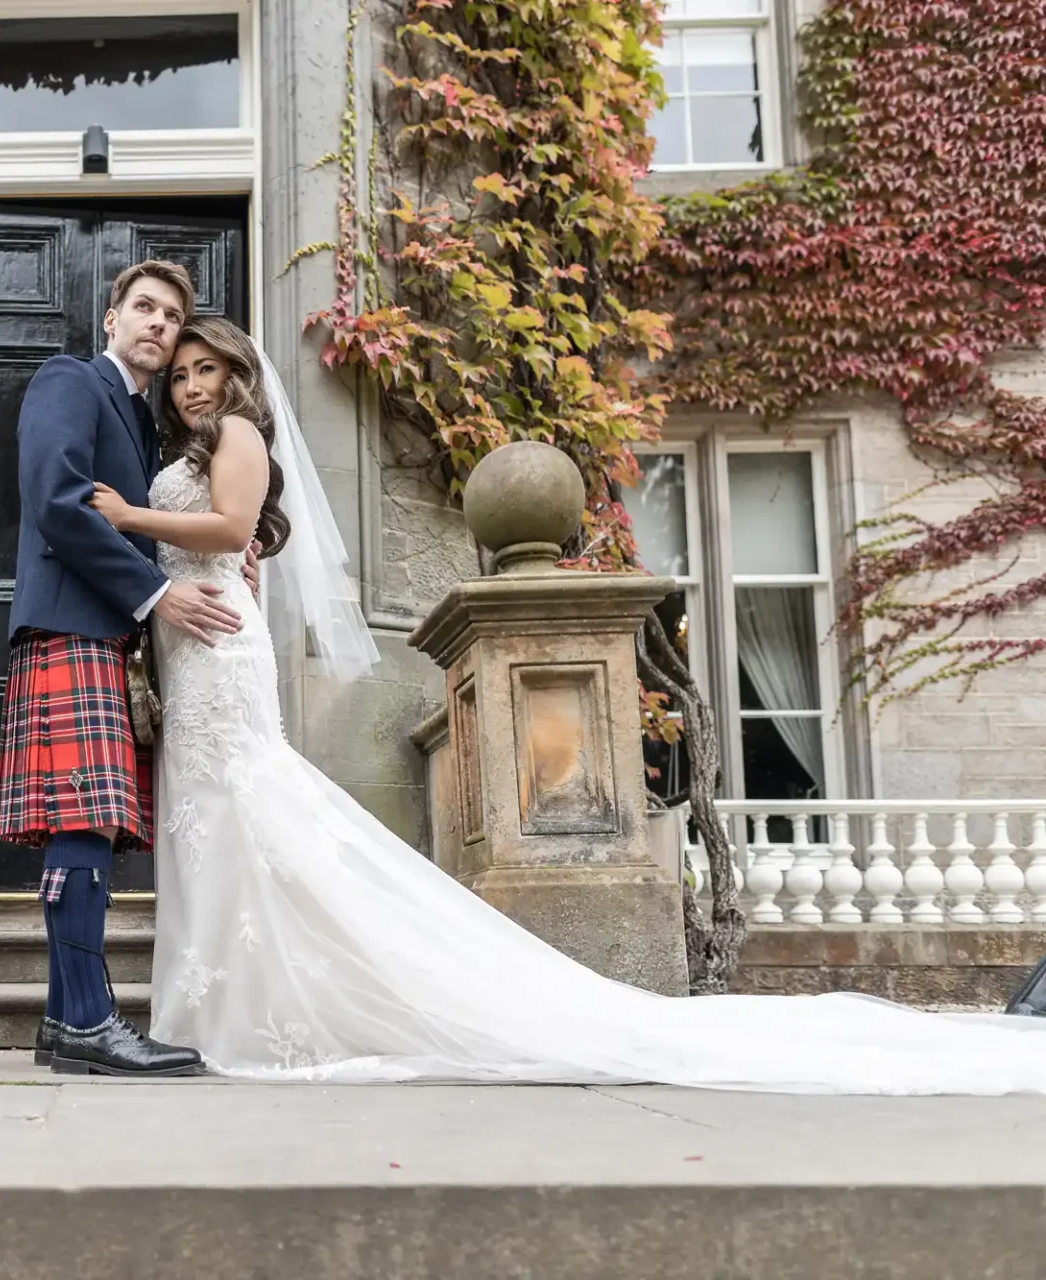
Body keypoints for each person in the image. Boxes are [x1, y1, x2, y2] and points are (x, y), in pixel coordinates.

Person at [87, 314, 1046, 1094]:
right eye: (180, 375)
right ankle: (210, 1009)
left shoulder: (242, 435)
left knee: (249, 814)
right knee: (212, 824)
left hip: (221, 664)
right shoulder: (192, 443)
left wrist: (129, 517)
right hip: (196, 652)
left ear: (241, 375)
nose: (192, 385)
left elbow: (229, 525)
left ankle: (250, 1010)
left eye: (208, 368)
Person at [0, 260, 245, 1077]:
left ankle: (68, 1022)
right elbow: (58, 502)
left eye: (171, 316)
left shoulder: (142, 427)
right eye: (144, 308)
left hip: (102, 638)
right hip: (70, 624)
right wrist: (156, 594)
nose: (157, 324)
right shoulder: (68, 380)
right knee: (82, 818)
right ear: (110, 319)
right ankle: (90, 1023)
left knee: (88, 819)